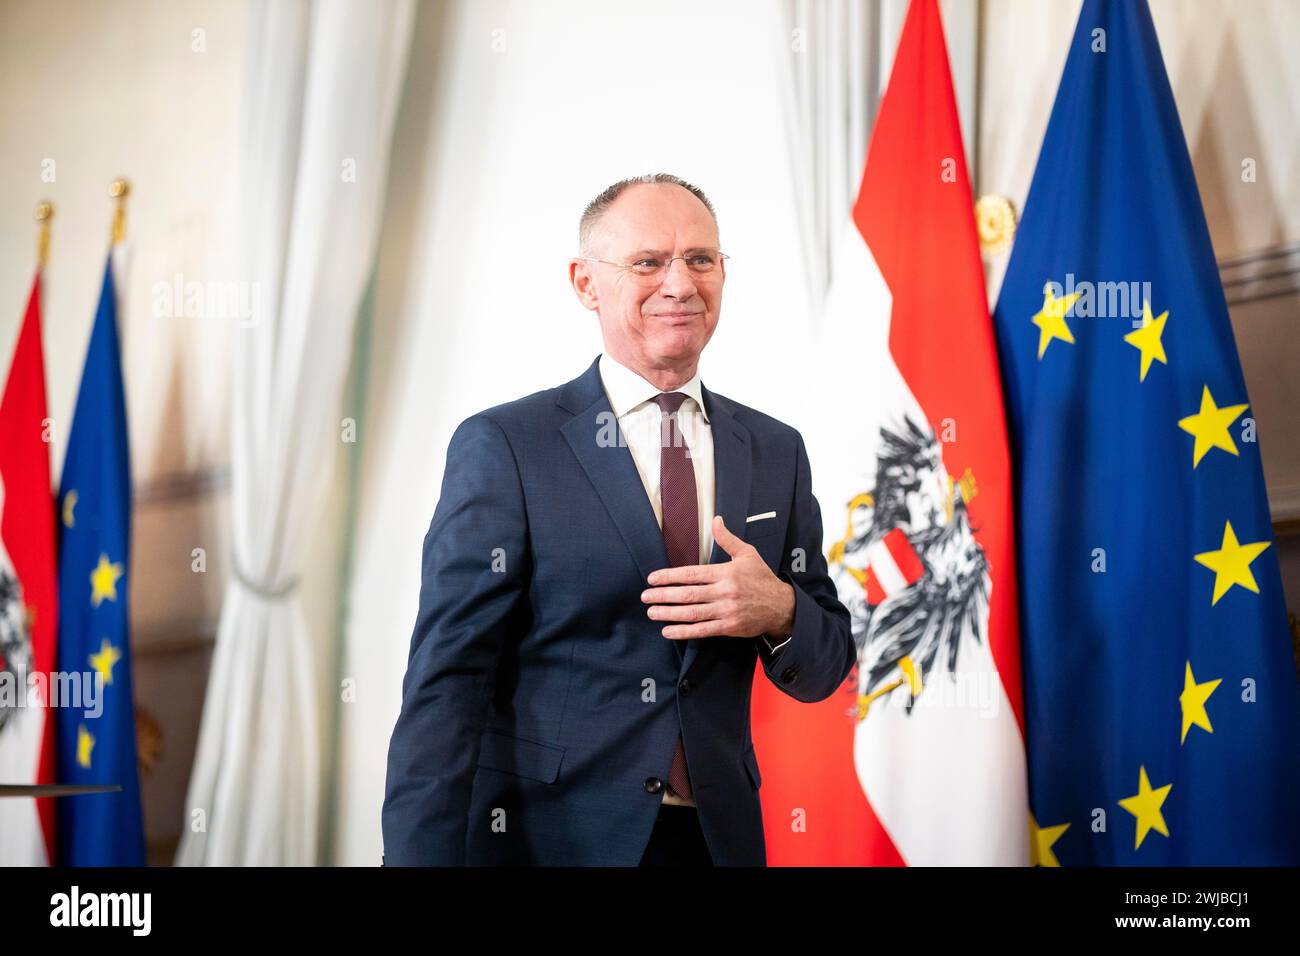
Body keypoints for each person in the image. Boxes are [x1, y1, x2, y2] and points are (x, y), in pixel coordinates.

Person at [382, 173, 854, 866]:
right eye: (647, 263)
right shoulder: (507, 446)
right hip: (548, 843)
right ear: (584, 283)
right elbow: (447, 683)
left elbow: (824, 666)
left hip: (716, 843)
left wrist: (779, 609)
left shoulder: (776, 450)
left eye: (700, 259)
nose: (679, 284)